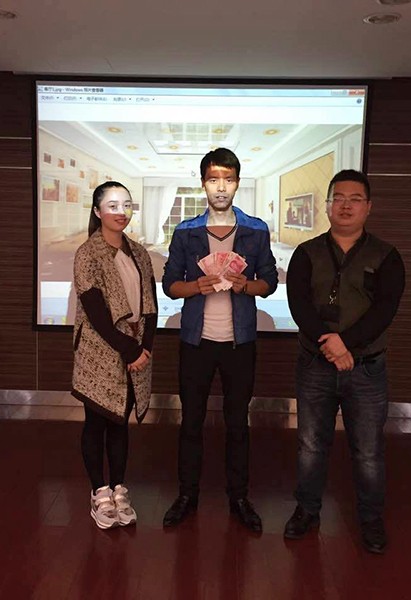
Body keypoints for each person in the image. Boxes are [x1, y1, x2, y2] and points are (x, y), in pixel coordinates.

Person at [283, 169, 405, 553]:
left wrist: (345, 343)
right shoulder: (306, 253)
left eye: (355, 199)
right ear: (327, 206)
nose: (346, 206)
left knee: (368, 450)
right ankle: (307, 510)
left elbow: (385, 310)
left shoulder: (386, 256)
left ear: (368, 207)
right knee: (310, 446)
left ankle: (370, 519)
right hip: (315, 365)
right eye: (338, 198)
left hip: (366, 368)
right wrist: (330, 345)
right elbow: (299, 305)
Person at [161, 148, 278, 532]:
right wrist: (197, 285)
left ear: (238, 183)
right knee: (190, 423)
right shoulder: (186, 231)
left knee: (238, 423)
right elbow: (170, 284)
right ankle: (187, 495)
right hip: (195, 342)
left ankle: (239, 497)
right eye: (214, 179)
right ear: (203, 184)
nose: (221, 187)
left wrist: (248, 286)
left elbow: (270, 281)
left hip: (239, 343)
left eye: (228, 179)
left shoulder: (256, 230)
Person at [72, 181, 158, 529]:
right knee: (97, 420)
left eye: (126, 205)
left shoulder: (139, 252)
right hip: (100, 349)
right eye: (112, 205)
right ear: (97, 211)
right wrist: (130, 349)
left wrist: (145, 347)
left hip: (136, 348)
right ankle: (99, 492)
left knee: (120, 421)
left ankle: (119, 489)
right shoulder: (87, 253)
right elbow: (95, 312)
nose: (121, 212)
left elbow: (150, 304)